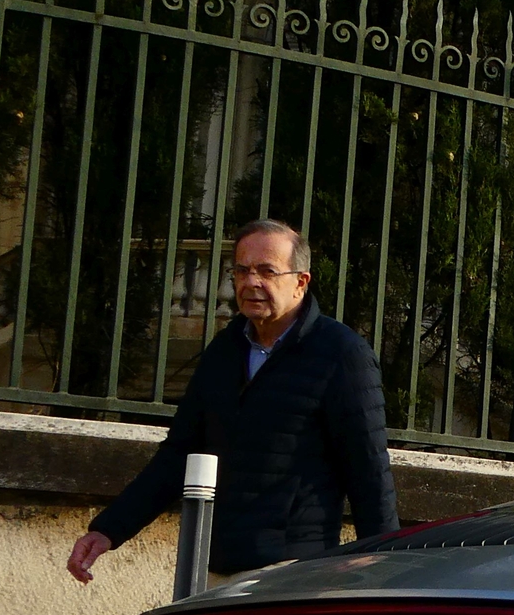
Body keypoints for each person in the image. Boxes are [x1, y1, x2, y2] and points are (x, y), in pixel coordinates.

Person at [68, 218, 397, 586]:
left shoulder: (341, 354)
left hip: (292, 570)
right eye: (241, 270)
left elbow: (368, 468)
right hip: (211, 569)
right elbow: (179, 454)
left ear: (300, 282)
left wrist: (380, 565)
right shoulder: (224, 352)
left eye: (267, 271)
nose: (251, 282)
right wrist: (109, 530)